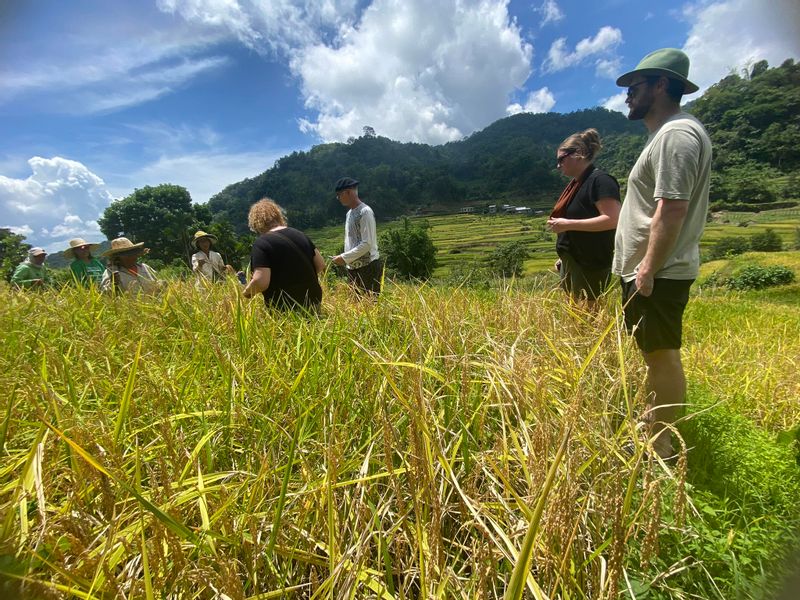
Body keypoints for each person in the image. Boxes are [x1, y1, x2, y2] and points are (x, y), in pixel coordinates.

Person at [613, 48, 712, 459]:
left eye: (635, 87)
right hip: (649, 270)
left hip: (657, 271)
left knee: (661, 354)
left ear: (661, 85)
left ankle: (664, 443)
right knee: (654, 352)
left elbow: (671, 207)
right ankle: (655, 422)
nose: (627, 96)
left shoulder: (676, 134)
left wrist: (648, 269)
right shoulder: (667, 135)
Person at [547, 129, 620, 304]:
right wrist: (564, 256)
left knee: (588, 318)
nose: (558, 165)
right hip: (573, 259)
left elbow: (613, 219)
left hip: (589, 262)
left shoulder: (601, 181)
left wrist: (567, 224)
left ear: (578, 154)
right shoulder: (577, 184)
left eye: (561, 159)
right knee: (574, 315)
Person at [242, 198, 325, 311]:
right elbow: (320, 265)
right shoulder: (300, 235)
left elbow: (261, 282)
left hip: (284, 307)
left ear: (256, 222)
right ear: (278, 216)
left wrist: (247, 292)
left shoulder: (262, 243)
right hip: (313, 299)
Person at [331, 177, 382, 295]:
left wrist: (344, 258)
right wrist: (345, 258)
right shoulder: (349, 213)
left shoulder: (365, 212)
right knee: (356, 306)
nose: (338, 198)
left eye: (339, 195)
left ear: (348, 192)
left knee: (370, 306)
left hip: (368, 267)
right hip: (353, 268)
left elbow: (367, 243)